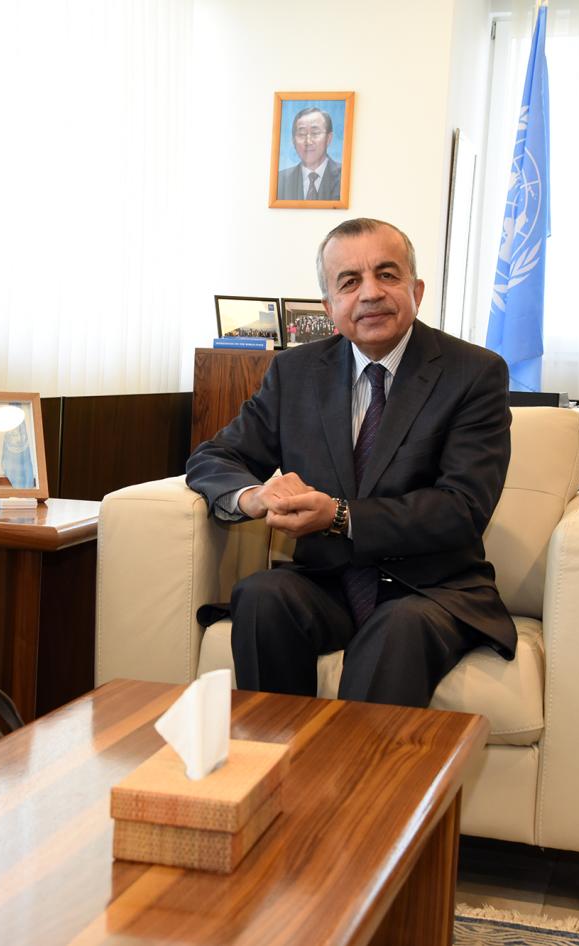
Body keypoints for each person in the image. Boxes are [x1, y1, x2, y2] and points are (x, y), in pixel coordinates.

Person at [185, 217, 512, 708]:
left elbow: (462, 509)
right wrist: (253, 496)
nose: (370, 293)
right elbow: (214, 456)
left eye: (387, 274)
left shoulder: (474, 373)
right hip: (328, 582)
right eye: (350, 281)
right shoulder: (295, 373)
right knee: (261, 595)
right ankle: (276, 752)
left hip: (431, 589)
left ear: (416, 290)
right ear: (330, 307)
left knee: (396, 627)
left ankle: (356, 763)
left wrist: (340, 516)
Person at [276, 107, 343, 201]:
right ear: (293, 141)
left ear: (329, 138)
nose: (308, 141)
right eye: (301, 134)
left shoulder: (344, 176)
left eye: (315, 133)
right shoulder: (280, 180)